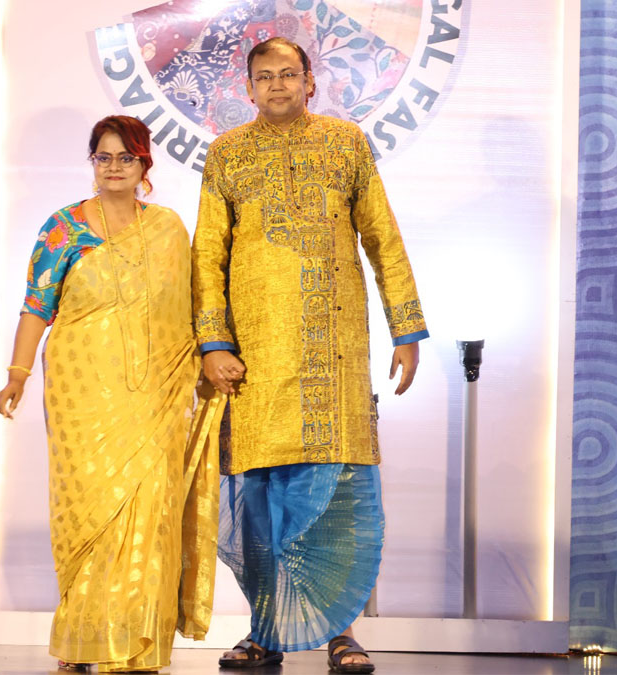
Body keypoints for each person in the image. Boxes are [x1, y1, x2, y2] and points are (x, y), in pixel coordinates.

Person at [192, 37, 429, 674]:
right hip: (255, 356)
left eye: (288, 75)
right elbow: (206, 257)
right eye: (264, 77)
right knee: (263, 496)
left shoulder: (346, 143)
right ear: (246, 89)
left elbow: (381, 234)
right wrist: (214, 345)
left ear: (310, 82)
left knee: (334, 493)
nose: (276, 86)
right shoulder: (227, 154)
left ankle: (341, 633)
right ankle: (264, 631)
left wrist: (406, 328)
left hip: (334, 347)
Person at [0, 115, 220, 673]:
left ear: (145, 164)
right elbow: (35, 307)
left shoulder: (169, 228)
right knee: (89, 513)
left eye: (126, 157)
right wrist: (18, 374)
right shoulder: (64, 229)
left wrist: (211, 356)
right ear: (92, 163)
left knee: (149, 511)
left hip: (158, 395)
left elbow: (191, 303)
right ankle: (82, 637)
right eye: (104, 157)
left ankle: (135, 642)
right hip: (82, 393)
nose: (114, 167)